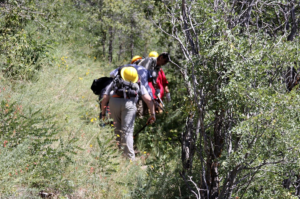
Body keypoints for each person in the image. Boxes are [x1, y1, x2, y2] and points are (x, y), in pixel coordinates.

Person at [101, 65, 156, 161]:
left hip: (114, 103)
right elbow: (149, 100)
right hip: (129, 105)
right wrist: (152, 114)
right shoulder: (138, 83)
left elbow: (105, 98)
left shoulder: (115, 81)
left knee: (116, 130)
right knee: (127, 133)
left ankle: (118, 156)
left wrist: (103, 113)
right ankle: (130, 159)